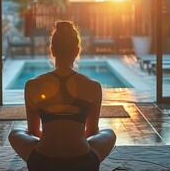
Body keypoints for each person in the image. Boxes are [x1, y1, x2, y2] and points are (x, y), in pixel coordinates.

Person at [9, 20, 116, 171]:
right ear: (77, 51)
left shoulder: (32, 84)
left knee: (15, 133)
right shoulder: (94, 86)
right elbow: (91, 132)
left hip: (41, 163)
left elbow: (33, 132)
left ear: (52, 51)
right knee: (109, 133)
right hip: (84, 164)